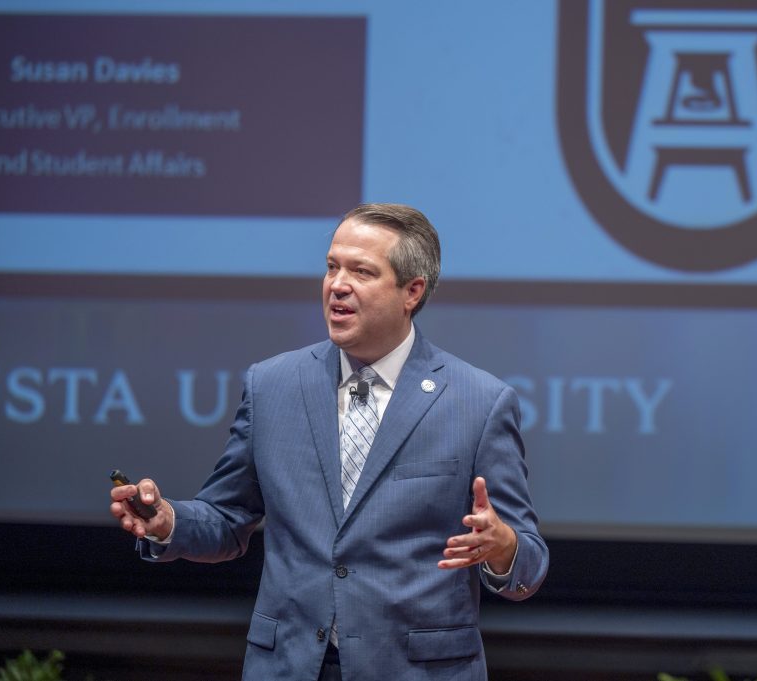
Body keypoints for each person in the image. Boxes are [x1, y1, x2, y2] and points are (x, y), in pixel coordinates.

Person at [109, 203, 549, 681]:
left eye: (361, 271)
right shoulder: (272, 385)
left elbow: (530, 560)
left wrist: (503, 547)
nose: (338, 285)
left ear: (412, 291)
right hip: (290, 664)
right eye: (332, 266)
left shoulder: (478, 402)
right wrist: (168, 521)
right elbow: (228, 518)